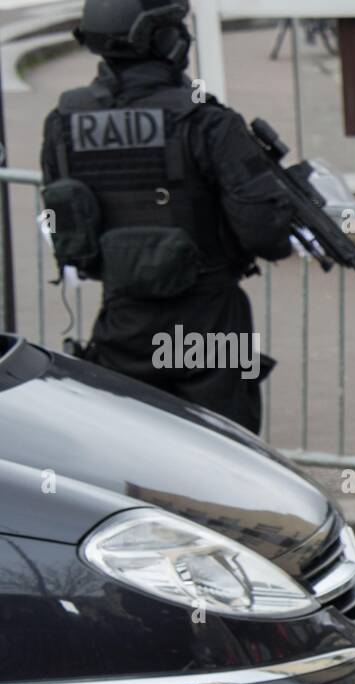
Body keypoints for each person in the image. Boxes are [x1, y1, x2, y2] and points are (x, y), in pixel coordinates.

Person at [39, 0, 295, 432]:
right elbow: (265, 234)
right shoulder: (207, 121)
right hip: (208, 328)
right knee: (228, 460)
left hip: (122, 330)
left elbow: (68, 228)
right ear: (161, 38)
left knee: (136, 455)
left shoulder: (64, 121)